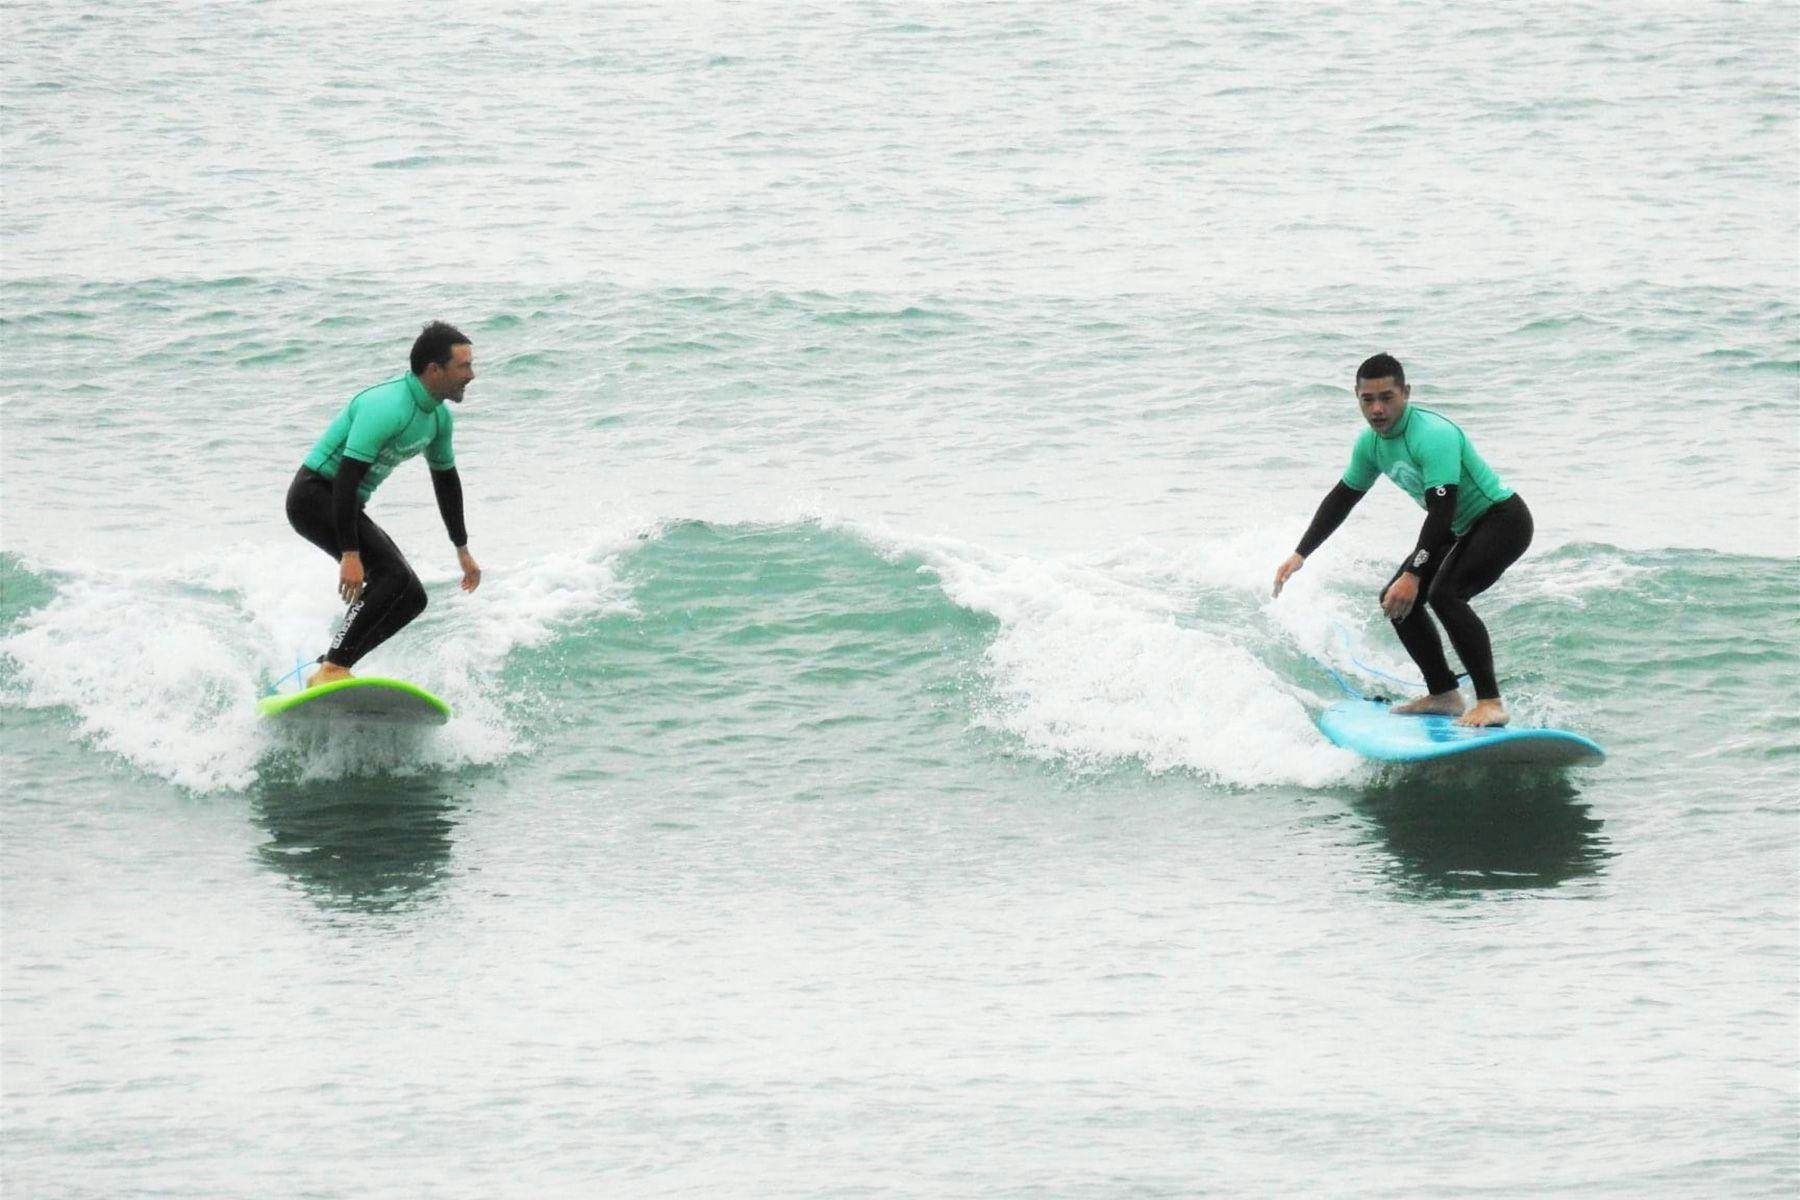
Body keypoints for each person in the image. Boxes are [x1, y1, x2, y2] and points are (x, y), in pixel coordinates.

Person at [1272, 354, 1532, 728]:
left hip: (1502, 520)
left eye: (1387, 397)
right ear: (1357, 397)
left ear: (1406, 393)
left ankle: (1490, 702)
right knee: (1395, 600)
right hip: (1459, 529)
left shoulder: (1433, 435)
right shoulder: (1371, 443)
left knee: (1444, 593)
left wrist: (1414, 574)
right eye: (1367, 399)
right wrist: (1301, 553)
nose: (1377, 409)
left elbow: (1442, 512)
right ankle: (1444, 694)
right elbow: (1343, 497)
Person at [284, 321, 482, 686]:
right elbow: (345, 478)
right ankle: (333, 667)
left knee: (413, 597)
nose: (472, 374)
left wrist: (462, 549)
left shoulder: (437, 418)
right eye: (464, 366)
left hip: (343, 503)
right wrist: (350, 552)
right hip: (315, 495)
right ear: (434, 369)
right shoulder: (386, 404)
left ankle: (333, 663)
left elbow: (446, 483)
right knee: (390, 576)